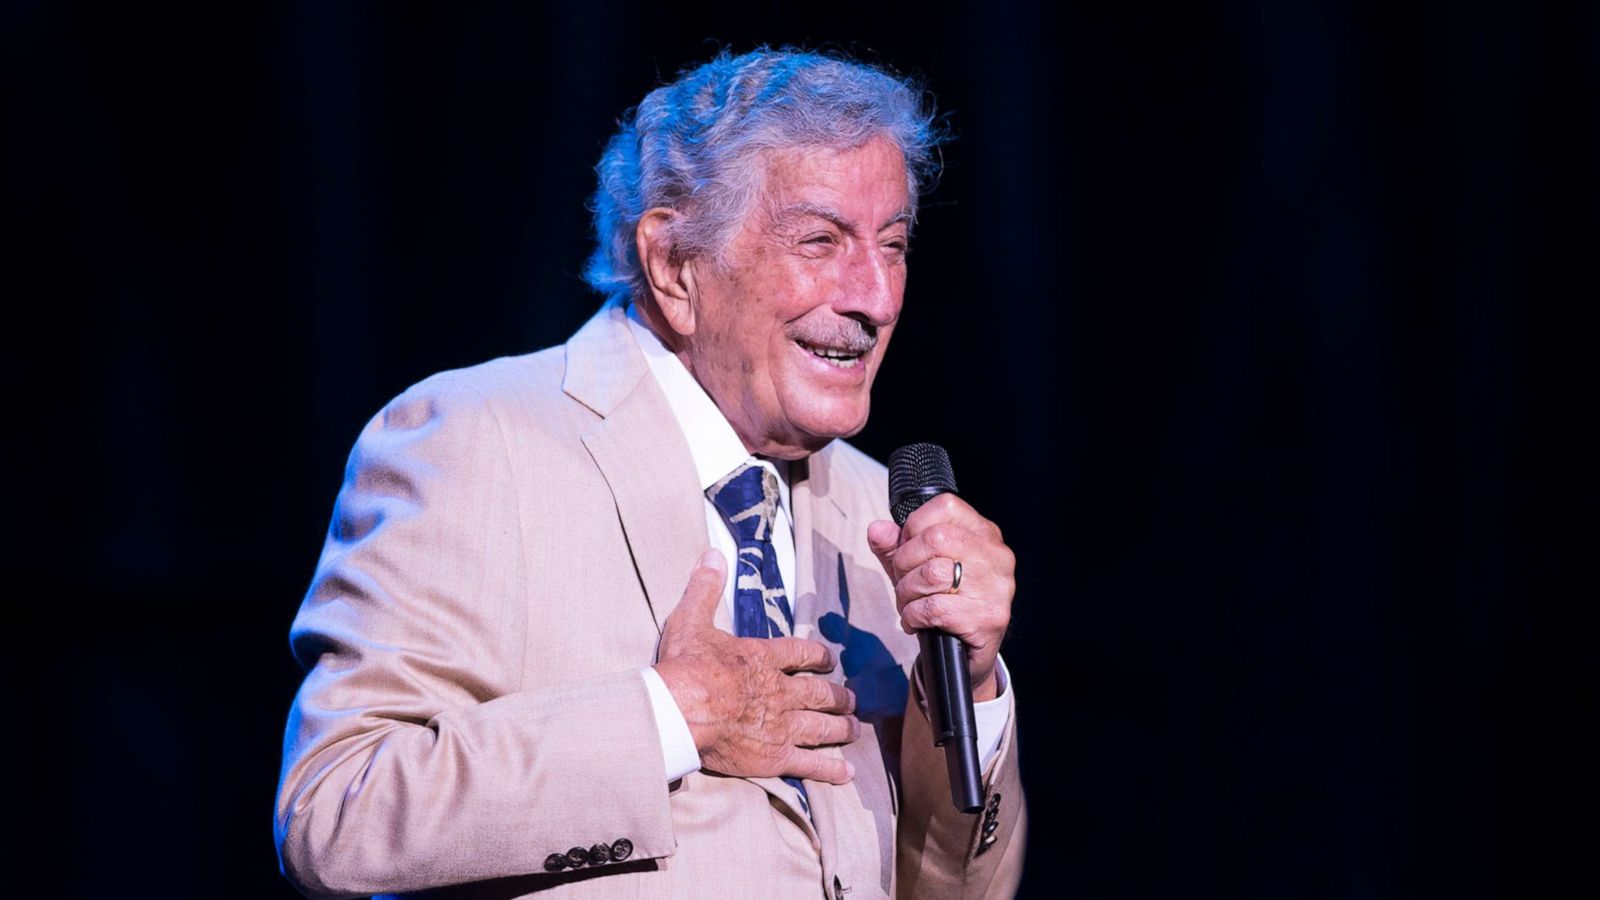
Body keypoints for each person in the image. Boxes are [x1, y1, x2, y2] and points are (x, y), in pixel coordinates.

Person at [274, 46, 1025, 899]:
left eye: (892, 247)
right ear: (674, 267)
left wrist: (967, 684)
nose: (877, 297)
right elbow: (337, 811)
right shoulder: (477, 437)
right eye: (821, 241)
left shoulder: (877, 520)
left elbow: (960, 889)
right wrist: (668, 718)